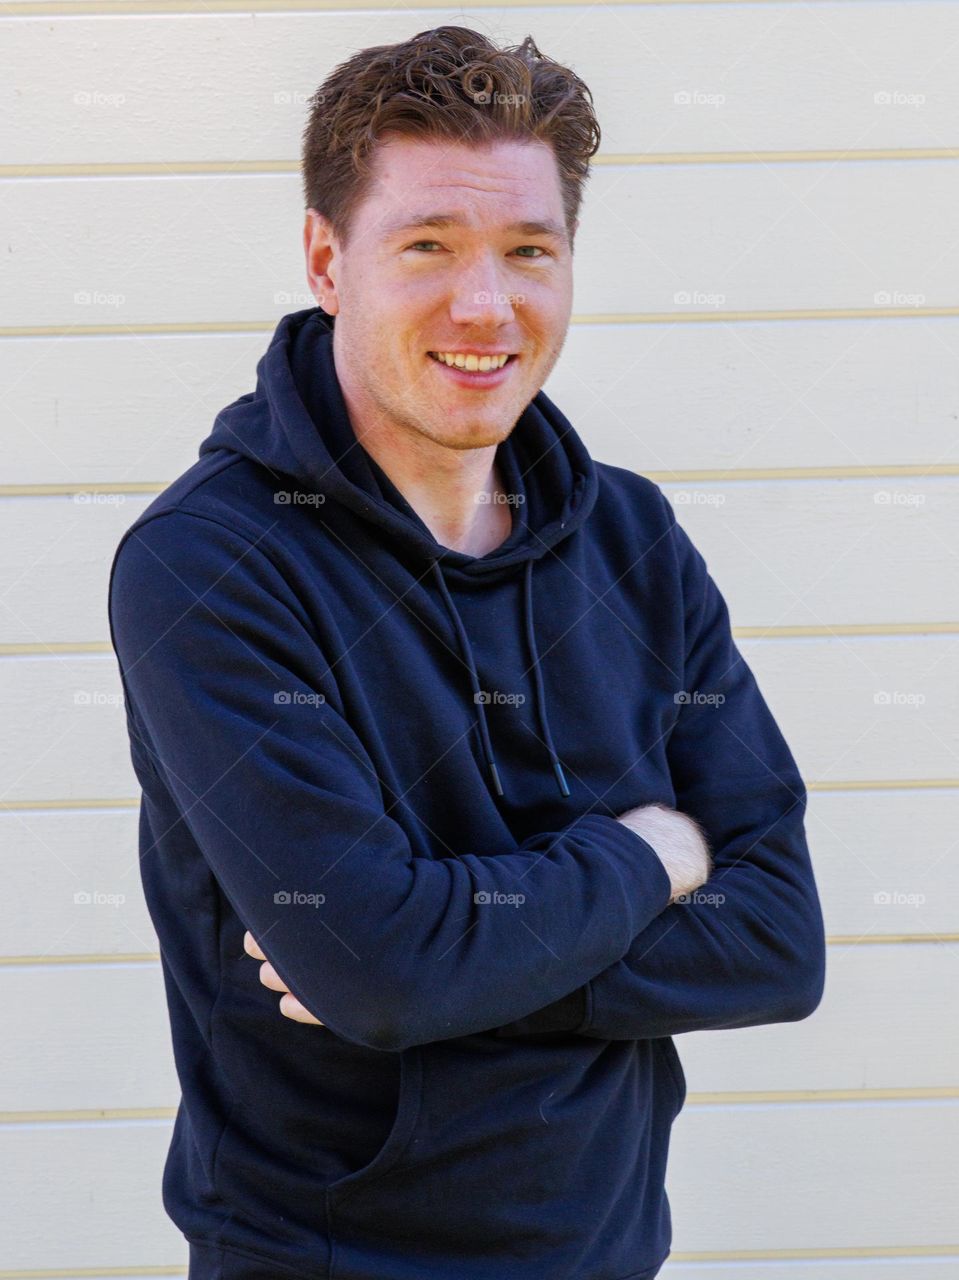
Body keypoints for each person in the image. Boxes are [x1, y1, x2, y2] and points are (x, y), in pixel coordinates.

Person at [108, 25, 826, 1280]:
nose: (484, 304)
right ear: (329, 261)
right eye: (428, 244)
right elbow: (378, 970)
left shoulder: (630, 537)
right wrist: (644, 855)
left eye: (527, 251)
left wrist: (436, 947)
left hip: (606, 1251)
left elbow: (776, 939)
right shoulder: (212, 562)